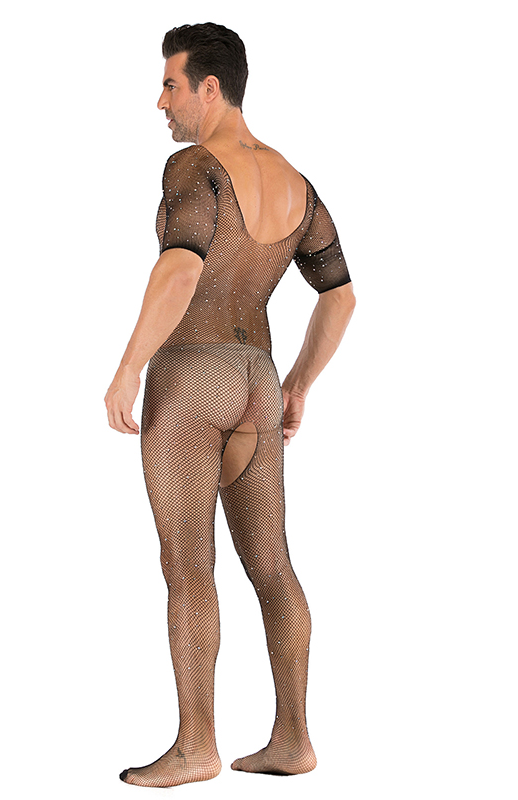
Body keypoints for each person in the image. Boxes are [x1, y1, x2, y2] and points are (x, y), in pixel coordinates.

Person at [104, 22, 356, 788]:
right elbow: (339, 295)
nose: (161, 102)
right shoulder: (294, 181)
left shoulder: (194, 166)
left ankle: (196, 746)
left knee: (189, 566)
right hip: (256, 377)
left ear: (210, 87)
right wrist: (298, 383)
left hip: (191, 375)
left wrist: (128, 367)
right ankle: (293, 739)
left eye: (170, 84)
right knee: (272, 566)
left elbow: (181, 270)